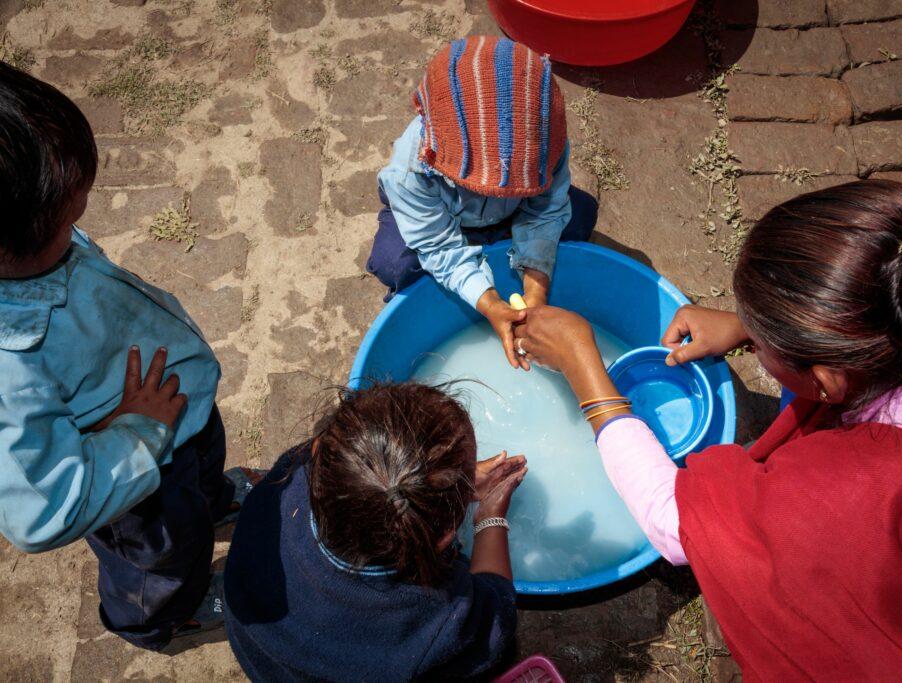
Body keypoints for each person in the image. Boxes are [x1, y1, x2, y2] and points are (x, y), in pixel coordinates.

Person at [512, 180, 902, 678]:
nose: (751, 340)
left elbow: (676, 522)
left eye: (761, 342)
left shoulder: (866, 491)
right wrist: (747, 325)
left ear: (828, 381)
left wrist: (586, 371)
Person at [0, 63, 260, 650]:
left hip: (174, 414)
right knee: (158, 559)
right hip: (136, 485)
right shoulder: (6, 370)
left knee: (199, 478)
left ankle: (215, 502)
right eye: (64, 228)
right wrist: (140, 432)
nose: (78, 235)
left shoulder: (24, 242)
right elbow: (44, 510)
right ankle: (164, 618)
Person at [223, 382, 527, 682]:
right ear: (446, 537)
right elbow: (497, 612)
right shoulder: (439, 620)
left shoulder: (285, 484)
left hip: (261, 653)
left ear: (321, 448)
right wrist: (489, 517)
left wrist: (444, 483)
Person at [368, 35, 598, 369]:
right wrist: (489, 302)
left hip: (512, 214)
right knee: (395, 263)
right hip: (437, 218)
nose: (492, 191)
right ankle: (484, 257)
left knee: (581, 214)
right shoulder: (412, 169)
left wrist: (535, 292)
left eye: (515, 182)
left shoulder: (545, 141)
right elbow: (437, 245)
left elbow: (546, 210)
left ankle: (500, 246)